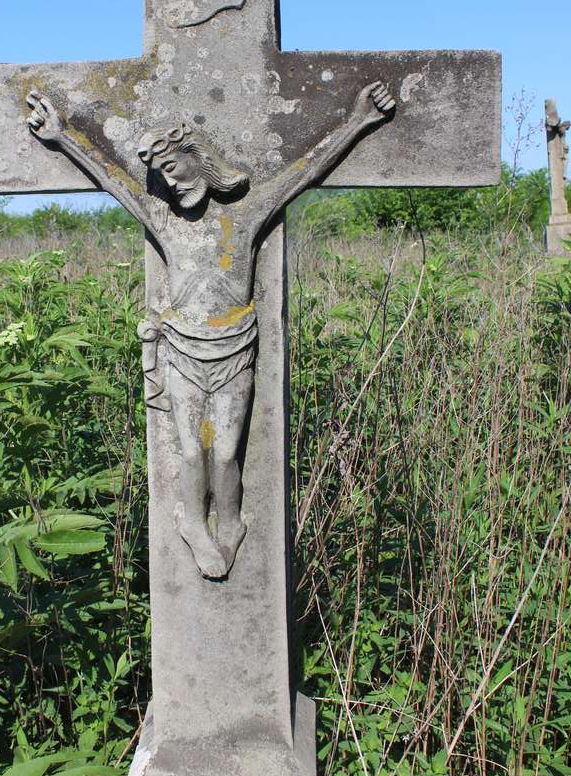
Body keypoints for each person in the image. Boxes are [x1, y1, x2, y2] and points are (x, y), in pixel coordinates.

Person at [26, 81, 395, 577]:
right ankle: (193, 526)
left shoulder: (243, 219)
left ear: (196, 156)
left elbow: (301, 175)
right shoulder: (166, 221)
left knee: (225, 454)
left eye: (173, 167)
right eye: (161, 176)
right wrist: (62, 136)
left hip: (235, 350)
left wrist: (358, 121)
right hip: (182, 352)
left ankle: (231, 519)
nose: (171, 182)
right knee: (191, 449)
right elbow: (116, 182)